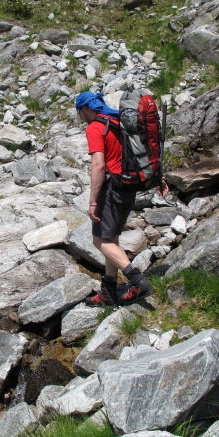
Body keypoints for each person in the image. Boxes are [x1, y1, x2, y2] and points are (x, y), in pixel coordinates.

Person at [76, 91, 169, 306]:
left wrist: (92, 201)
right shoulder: (119, 121)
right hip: (129, 185)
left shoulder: (96, 127)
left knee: (99, 241)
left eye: (79, 112)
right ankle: (108, 291)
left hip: (112, 188)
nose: (80, 117)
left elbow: (98, 165)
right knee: (112, 238)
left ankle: (136, 280)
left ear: (87, 109)